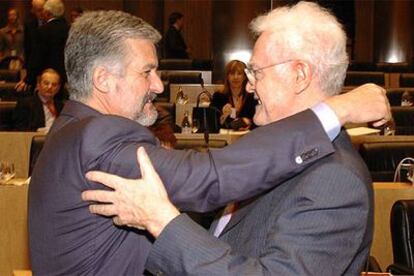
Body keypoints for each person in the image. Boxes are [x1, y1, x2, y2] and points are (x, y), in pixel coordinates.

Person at [28, 9, 390, 276]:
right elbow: (209, 179)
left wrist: (162, 220)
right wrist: (337, 109)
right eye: (147, 72)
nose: (158, 85)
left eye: (257, 72)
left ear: (300, 75)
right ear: (103, 80)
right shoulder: (96, 134)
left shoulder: (334, 178)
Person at [18, 0, 69, 98]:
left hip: (46, 75)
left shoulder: (43, 30)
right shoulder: (69, 28)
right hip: (63, 76)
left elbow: (38, 56)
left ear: (48, 13)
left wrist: (29, 78)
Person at [211, 60, 257, 130]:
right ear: (227, 76)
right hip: (225, 138)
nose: (235, 77)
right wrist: (223, 115)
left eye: (239, 73)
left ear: (244, 77)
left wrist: (249, 123)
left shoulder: (252, 96)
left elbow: (260, 121)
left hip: (248, 137)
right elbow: (211, 123)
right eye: (232, 73)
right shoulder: (218, 96)